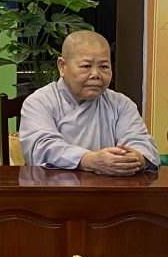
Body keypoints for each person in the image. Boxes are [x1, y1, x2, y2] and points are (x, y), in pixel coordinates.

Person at [19, 31, 158, 174]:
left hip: (109, 184)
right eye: (86, 66)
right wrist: (89, 160)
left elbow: (141, 142)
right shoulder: (39, 102)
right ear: (62, 66)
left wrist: (136, 158)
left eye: (104, 67)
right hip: (54, 185)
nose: (96, 75)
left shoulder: (120, 104)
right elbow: (41, 148)